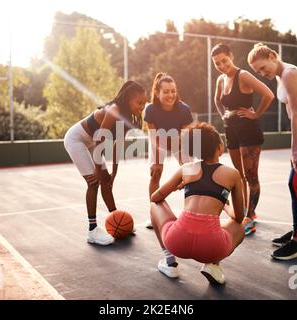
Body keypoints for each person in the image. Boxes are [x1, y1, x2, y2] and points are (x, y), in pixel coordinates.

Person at [248, 43, 297, 260]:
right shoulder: (281, 75)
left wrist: (294, 150)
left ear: (273, 56)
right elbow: (291, 111)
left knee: (296, 182)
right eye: (259, 72)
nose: (263, 74)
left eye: (263, 68)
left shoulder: (289, 74)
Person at [150, 122, 245, 284]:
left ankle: (169, 261)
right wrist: (226, 206)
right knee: (240, 227)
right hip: (211, 247)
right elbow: (239, 217)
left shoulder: (186, 169)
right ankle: (213, 264)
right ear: (220, 147)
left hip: (177, 240)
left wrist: (178, 186)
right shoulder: (233, 174)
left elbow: (155, 197)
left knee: (155, 206)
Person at [64, 81, 147, 245]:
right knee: (93, 183)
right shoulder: (114, 110)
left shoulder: (127, 119)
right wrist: (97, 170)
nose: (142, 106)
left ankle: (116, 219)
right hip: (76, 140)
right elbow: (99, 142)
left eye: (144, 103)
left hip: (92, 143)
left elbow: (117, 146)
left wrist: (113, 173)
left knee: (106, 183)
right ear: (128, 100)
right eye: (139, 102)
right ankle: (92, 230)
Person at [211, 43, 275, 235]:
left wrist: (256, 115)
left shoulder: (244, 75)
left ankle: (251, 215)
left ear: (231, 56)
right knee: (238, 176)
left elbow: (268, 94)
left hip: (249, 132)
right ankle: (243, 212)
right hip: (231, 132)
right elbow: (217, 100)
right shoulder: (221, 80)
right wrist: (224, 115)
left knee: (251, 176)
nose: (222, 66)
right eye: (217, 63)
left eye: (224, 60)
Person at [144, 73, 194, 228]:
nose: (170, 95)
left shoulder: (184, 109)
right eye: (166, 91)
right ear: (157, 93)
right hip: (158, 140)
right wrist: (158, 161)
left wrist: (185, 167)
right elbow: (153, 137)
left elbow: (185, 138)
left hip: (179, 141)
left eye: (173, 91)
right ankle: (154, 213)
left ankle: (190, 213)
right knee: (156, 173)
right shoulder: (150, 109)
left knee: (191, 174)